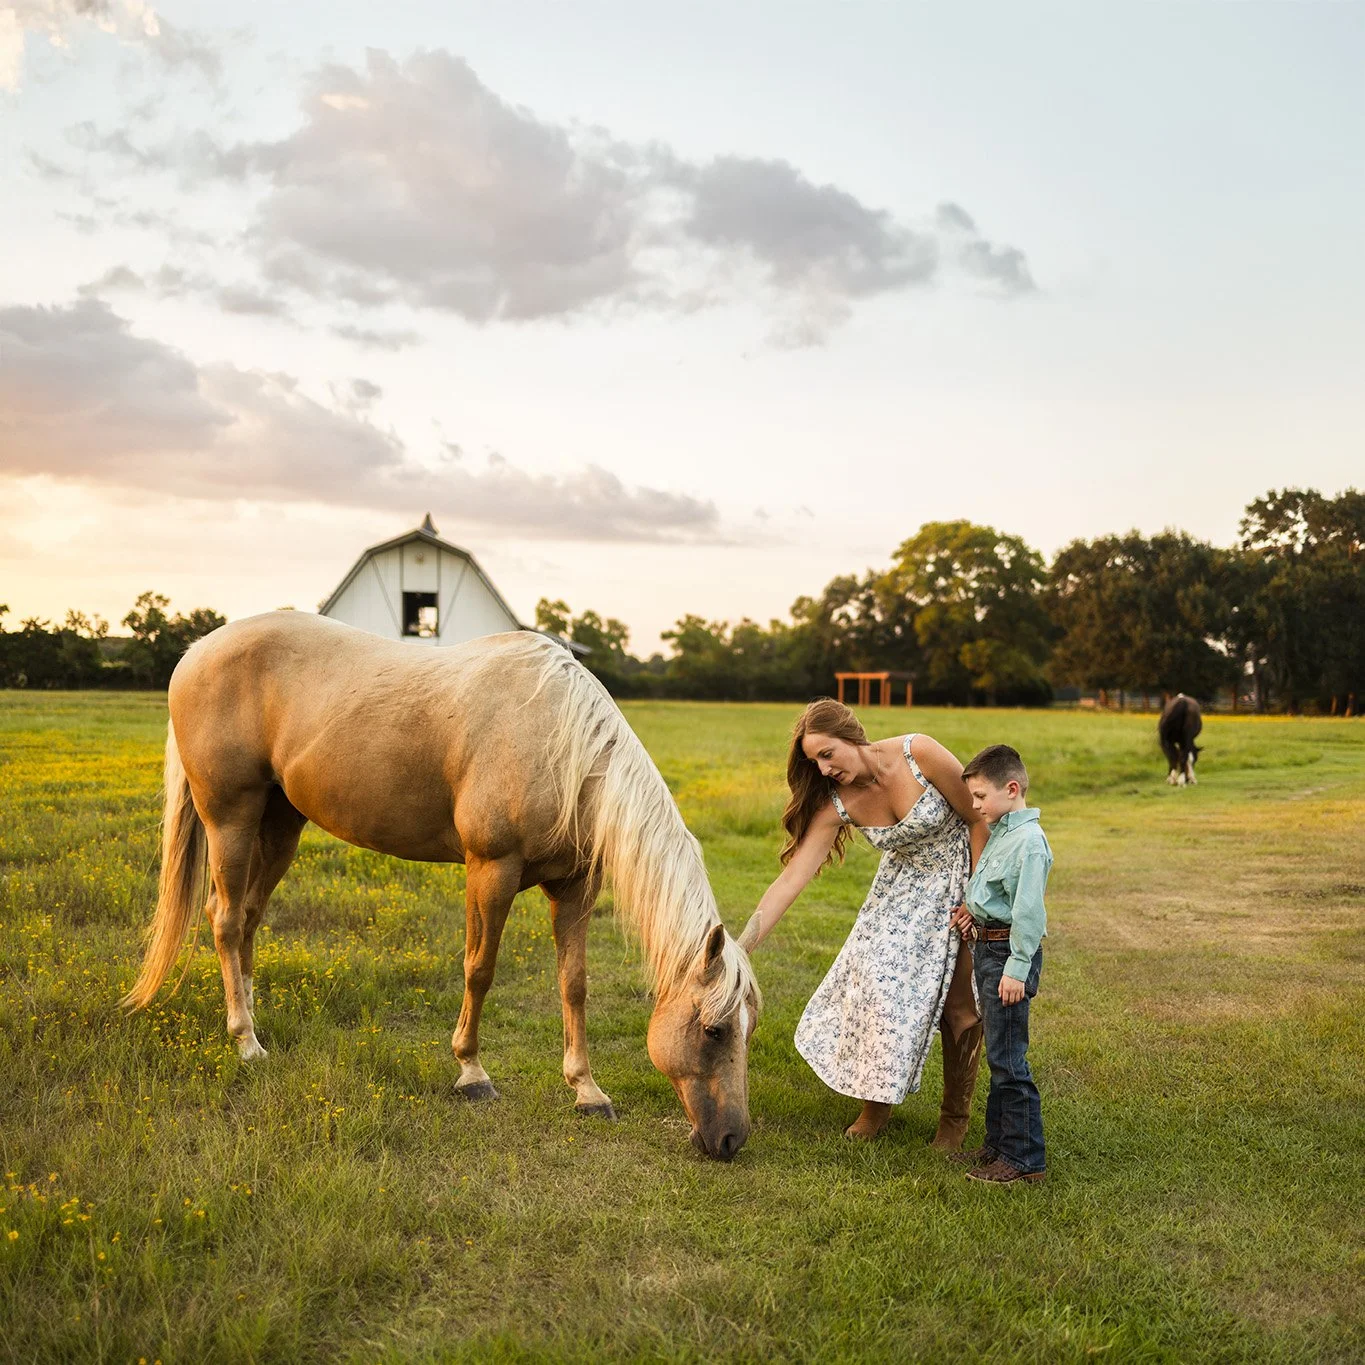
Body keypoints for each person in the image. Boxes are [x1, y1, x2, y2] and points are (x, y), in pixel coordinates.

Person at [741, 699, 987, 1144]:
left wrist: (978, 895)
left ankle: (954, 1120)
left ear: (852, 736)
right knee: (874, 985)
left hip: (963, 881)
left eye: (827, 753)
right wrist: (744, 945)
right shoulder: (839, 802)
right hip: (900, 894)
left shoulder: (920, 753)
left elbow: (977, 817)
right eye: (814, 761)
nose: (822, 768)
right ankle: (876, 1106)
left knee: (959, 1006)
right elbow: (792, 878)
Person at [949, 744, 1052, 1184]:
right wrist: (973, 910)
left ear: (1011, 789)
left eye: (980, 797)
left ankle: (1024, 1160)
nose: (975, 806)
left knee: (1010, 1061)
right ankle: (997, 1145)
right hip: (989, 950)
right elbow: (997, 893)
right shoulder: (1004, 832)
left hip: (1009, 955)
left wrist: (1017, 967)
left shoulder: (1029, 843)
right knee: (997, 1055)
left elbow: (1029, 914)